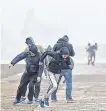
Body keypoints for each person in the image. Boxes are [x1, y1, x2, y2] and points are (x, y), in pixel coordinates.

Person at [51, 35, 75, 102]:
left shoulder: (56, 45)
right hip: (66, 67)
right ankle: (68, 98)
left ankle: (53, 98)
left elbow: (52, 54)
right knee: (68, 82)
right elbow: (73, 54)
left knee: (55, 83)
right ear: (67, 40)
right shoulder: (69, 45)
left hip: (57, 67)